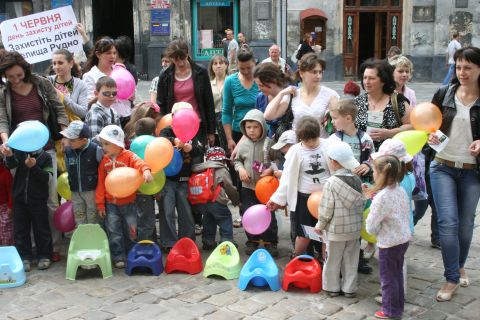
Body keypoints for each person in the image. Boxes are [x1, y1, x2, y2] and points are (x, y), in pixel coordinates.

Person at [0, 50, 68, 263]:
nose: (15, 80)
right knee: (23, 200)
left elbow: (58, 108)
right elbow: (2, 118)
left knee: (48, 199)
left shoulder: (41, 83)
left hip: (44, 148)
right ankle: (29, 250)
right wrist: (5, 141)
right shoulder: (4, 92)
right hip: (18, 152)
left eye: (19, 75)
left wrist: (64, 134)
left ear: (26, 70)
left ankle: (52, 247)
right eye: (10, 77)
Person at [429, 47, 480, 302]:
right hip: (442, 166)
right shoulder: (444, 93)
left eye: (468, 67)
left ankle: (459, 265)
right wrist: (430, 135)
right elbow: (429, 124)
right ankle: (451, 278)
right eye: (459, 67)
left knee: (465, 224)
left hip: (472, 171)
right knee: (447, 222)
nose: (462, 72)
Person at [267, 116, 332, 259]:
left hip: (326, 197)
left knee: (326, 233)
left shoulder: (328, 145)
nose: (310, 143)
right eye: (305, 140)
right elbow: (287, 178)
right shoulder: (295, 151)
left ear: (318, 135)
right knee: (304, 233)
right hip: (304, 198)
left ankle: (327, 263)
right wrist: (277, 199)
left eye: (313, 140)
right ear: (300, 138)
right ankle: (297, 256)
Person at [96, 125, 153, 268]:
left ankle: (132, 253)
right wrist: (100, 204)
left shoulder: (128, 156)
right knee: (114, 231)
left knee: (132, 230)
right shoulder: (104, 161)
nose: (103, 147)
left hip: (129, 202)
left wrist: (146, 170)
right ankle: (118, 256)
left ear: (117, 143)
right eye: (102, 144)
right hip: (111, 203)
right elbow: (101, 183)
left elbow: (140, 163)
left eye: (107, 143)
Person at [315, 142, 365, 298]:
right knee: (351, 260)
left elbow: (326, 208)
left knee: (333, 260)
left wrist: (320, 225)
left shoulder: (331, 183)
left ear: (334, 162)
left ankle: (332, 287)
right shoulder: (357, 180)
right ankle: (350, 289)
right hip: (354, 230)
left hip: (336, 230)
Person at [366, 155, 411, 320]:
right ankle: (398, 306)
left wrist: (375, 232)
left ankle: (390, 310)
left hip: (389, 243)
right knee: (397, 274)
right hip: (403, 239)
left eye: (373, 171)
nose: (372, 174)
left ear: (380, 173)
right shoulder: (400, 189)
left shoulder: (382, 197)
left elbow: (371, 225)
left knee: (388, 278)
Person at [158, 102, 204, 252]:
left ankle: (187, 240)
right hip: (168, 180)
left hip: (185, 180)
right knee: (167, 211)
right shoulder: (167, 131)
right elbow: (160, 142)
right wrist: (173, 141)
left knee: (186, 212)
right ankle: (168, 242)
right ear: (173, 117)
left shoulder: (194, 133)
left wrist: (191, 148)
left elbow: (199, 150)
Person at [1, 145, 53, 271]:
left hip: (38, 200)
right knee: (21, 231)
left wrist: (34, 167)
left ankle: (44, 255)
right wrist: (9, 156)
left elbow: (47, 178)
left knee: (41, 228)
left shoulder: (45, 157)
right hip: (19, 200)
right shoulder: (19, 153)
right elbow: (11, 166)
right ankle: (24, 257)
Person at [156, 39, 215, 148]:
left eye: (183, 58)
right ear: (171, 58)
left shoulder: (201, 72)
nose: (180, 63)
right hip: (174, 127)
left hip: (197, 125)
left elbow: (209, 102)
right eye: (176, 60)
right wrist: (162, 127)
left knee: (197, 160)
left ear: (188, 54)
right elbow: (161, 104)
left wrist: (211, 131)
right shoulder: (165, 75)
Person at [234, 109, 278, 256]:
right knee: (248, 213)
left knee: (269, 213)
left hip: (266, 188)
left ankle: (270, 241)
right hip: (248, 187)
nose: (252, 130)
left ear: (263, 127)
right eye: (248, 127)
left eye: (255, 127)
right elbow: (237, 160)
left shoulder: (269, 143)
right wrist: (240, 170)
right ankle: (252, 240)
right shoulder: (243, 144)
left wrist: (271, 170)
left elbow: (278, 161)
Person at [264, 53, 339, 138]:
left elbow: (339, 125)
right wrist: (281, 94)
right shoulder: (293, 94)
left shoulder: (330, 94)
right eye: (314, 72)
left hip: (322, 146)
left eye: (320, 72)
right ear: (301, 73)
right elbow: (268, 115)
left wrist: (333, 112)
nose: (318, 76)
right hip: (297, 146)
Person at [354, 59, 412, 151]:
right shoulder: (357, 101)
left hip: (389, 157)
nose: (366, 82)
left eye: (372, 78)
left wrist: (390, 133)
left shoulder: (398, 101)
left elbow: (411, 126)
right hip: (362, 157)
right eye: (365, 78)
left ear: (383, 81)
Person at [191, 146, 240, 250]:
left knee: (208, 220)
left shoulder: (201, 168)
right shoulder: (222, 169)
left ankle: (208, 242)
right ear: (222, 159)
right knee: (225, 218)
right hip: (216, 201)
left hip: (202, 202)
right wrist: (236, 201)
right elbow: (229, 187)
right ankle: (227, 241)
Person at [83, 38, 132, 128]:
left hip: (126, 116)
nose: (112, 56)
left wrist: (131, 95)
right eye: (108, 53)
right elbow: (88, 104)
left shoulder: (120, 70)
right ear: (98, 54)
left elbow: (132, 93)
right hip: (106, 119)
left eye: (114, 53)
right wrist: (104, 94)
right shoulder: (90, 76)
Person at [61, 121, 103, 225]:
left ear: (84, 140)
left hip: (91, 191)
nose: (69, 142)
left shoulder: (96, 150)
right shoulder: (68, 151)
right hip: (75, 191)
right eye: (68, 138)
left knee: (93, 216)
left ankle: (94, 237)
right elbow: (68, 168)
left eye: (72, 140)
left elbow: (102, 170)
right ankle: (81, 236)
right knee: (79, 217)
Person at [222, 48, 259, 154]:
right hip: (238, 131)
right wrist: (229, 139)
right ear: (237, 65)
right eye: (242, 69)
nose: (246, 71)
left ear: (254, 63)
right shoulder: (230, 81)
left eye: (249, 68)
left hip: (261, 132)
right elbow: (226, 111)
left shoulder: (262, 78)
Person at [133, 117, 157, 241]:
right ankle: (145, 243)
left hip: (137, 185)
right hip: (150, 183)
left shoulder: (133, 144)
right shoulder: (153, 144)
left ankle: (149, 239)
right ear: (153, 133)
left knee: (143, 215)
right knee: (146, 217)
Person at [253, 62, 292, 138]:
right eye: (257, 85)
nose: (259, 88)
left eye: (261, 85)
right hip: (270, 141)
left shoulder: (291, 93)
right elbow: (255, 122)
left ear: (273, 81)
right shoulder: (260, 98)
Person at [208, 55, 228, 150]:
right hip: (215, 124)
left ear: (226, 65)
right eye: (215, 64)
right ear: (212, 67)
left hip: (229, 122)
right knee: (217, 153)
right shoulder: (208, 84)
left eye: (221, 63)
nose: (218, 66)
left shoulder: (231, 81)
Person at [0, 155, 13, 246]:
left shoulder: (5, 174)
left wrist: (10, 206)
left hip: (4, 206)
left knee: (6, 231)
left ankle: (8, 251)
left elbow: (11, 191)